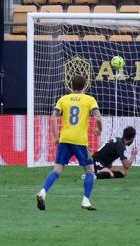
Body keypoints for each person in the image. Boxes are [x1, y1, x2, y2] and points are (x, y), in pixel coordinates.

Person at [36, 75, 103, 211]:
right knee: (90, 170)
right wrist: (99, 129)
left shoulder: (63, 99)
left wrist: (56, 136)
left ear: (70, 85)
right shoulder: (89, 99)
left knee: (57, 169)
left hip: (65, 138)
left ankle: (43, 191)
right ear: (85, 86)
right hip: (80, 140)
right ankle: (85, 201)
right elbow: (98, 117)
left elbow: (53, 117)